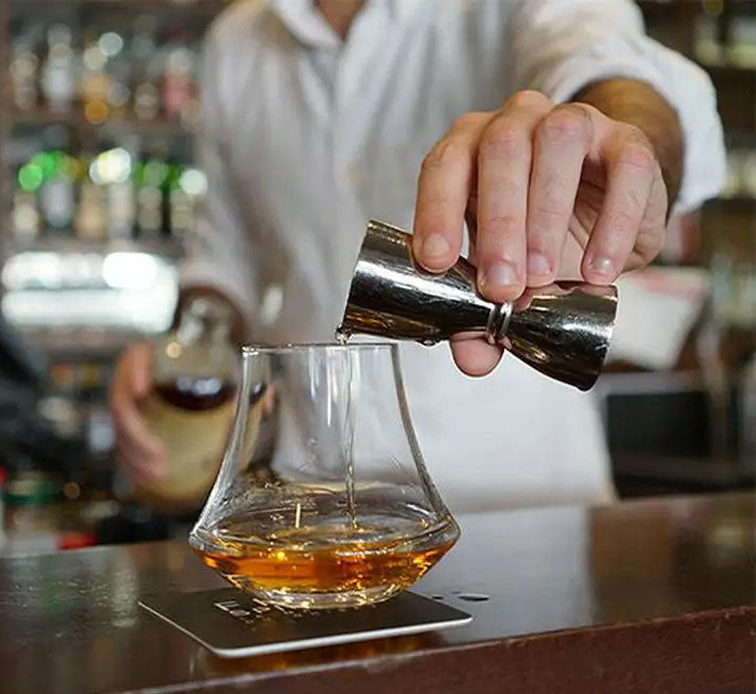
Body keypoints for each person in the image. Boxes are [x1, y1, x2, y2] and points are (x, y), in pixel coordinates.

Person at [112, 0, 724, 512]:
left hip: (520, 509)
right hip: (309, 498)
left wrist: (618, 139)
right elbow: (227, 260)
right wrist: (187, 351)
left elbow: (607, 60)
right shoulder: (236, 42)